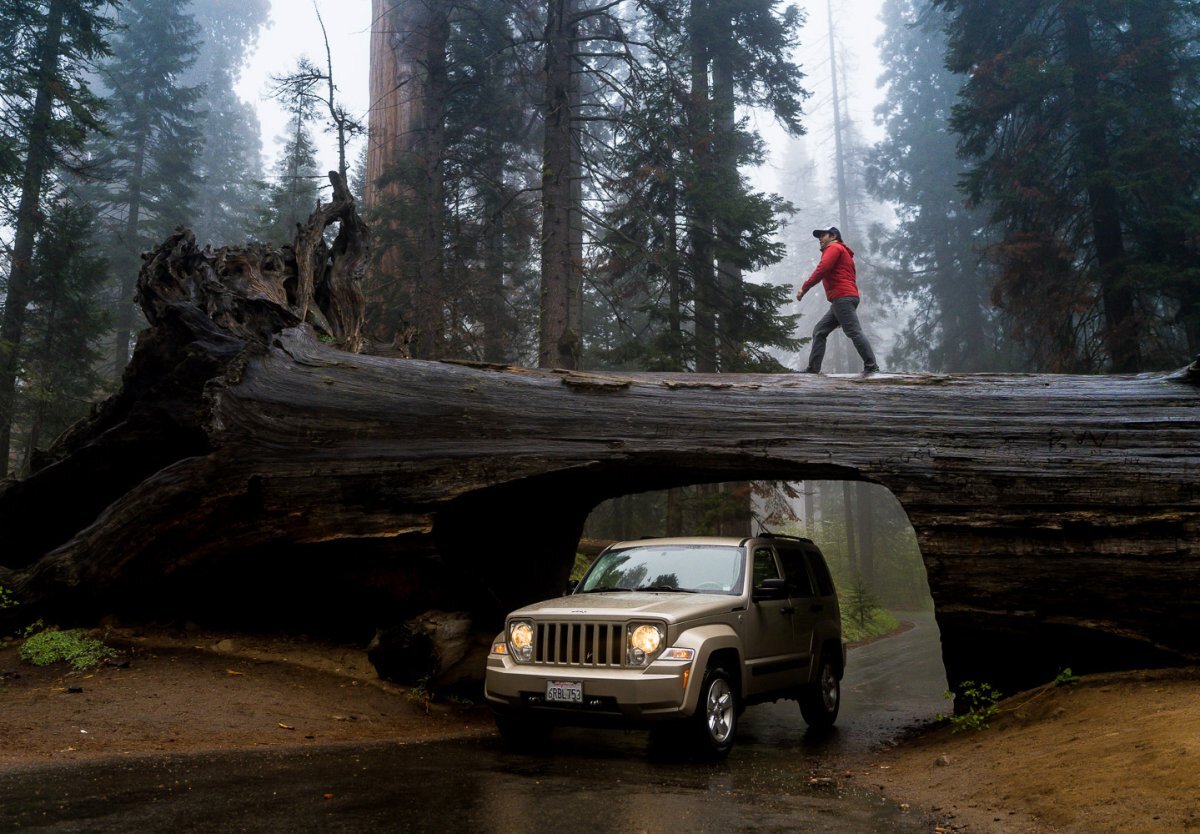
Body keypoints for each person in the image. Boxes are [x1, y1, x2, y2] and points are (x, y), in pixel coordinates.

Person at [796, 225, 879, 374]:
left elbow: (822, 269)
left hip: (843, 298)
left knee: (854, 331)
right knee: (820, 331)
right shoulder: (842, 251)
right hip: (842, 298)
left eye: (823, 235)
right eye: (819, 236)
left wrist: (804, 288)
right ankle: (813, 368)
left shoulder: (834, 248)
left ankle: (872, 366)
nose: (820, 238)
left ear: (833, 236)